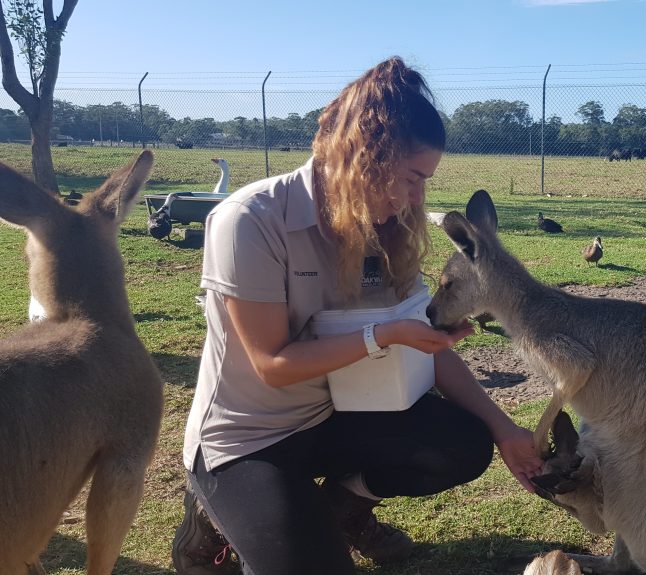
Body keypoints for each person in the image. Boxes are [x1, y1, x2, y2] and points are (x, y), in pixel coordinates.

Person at [171, 56, 543, 575]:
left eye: (425, 181)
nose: (418, 198)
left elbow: (428, 348)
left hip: (335, 417)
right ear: (364, 155)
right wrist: (386, 333)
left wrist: (505, 429)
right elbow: (272, 363)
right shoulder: (250, 221)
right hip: (248, 438)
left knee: (464, 443)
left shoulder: (387, 228)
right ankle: (214, 516)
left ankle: (341, 508)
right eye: (411, 178)